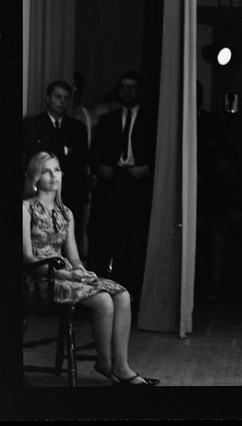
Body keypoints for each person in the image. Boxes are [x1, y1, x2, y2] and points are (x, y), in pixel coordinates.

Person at [22, 151, 159, 385]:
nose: (53, 176)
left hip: (66, 274)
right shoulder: (25, 209)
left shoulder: (66, 213)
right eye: (46, 171)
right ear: (35, 177)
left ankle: (122, 366)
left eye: (56, 170)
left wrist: (82, 272)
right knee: (104, 300)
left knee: (123, 295)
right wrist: (66, 273)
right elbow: (26, 257)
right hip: (40, 278)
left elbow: (73, 256)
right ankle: (105, 363)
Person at [87, 71, 157, 307]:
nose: (127, 92)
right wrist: (98, 168)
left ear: (141, 91)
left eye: (132, 87)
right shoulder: (108, 119)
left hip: (138, 183)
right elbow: (93, 153)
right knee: (106, 239)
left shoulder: (152, 119)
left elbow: (163, 154)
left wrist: (147, 168)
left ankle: (132, 300)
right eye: (123, 87)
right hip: (111, 184)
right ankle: (104, 297)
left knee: (134, 242)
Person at [195, 81, 242, 299]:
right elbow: (215, 204)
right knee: (216, 234)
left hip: (241, 215)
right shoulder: (216, 180)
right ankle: (214, 282)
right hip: (221, 214)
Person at [22, 80, 92, 252]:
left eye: (67, 98)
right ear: (48, 98)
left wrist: (48, 148)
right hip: (42, 189)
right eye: (58, 97)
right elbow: (34, 153)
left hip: (72, 189)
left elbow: (81, 158)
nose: (63, 101)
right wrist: (65, 149)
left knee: (70, 238)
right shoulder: (32, 123)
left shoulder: (77, 127)